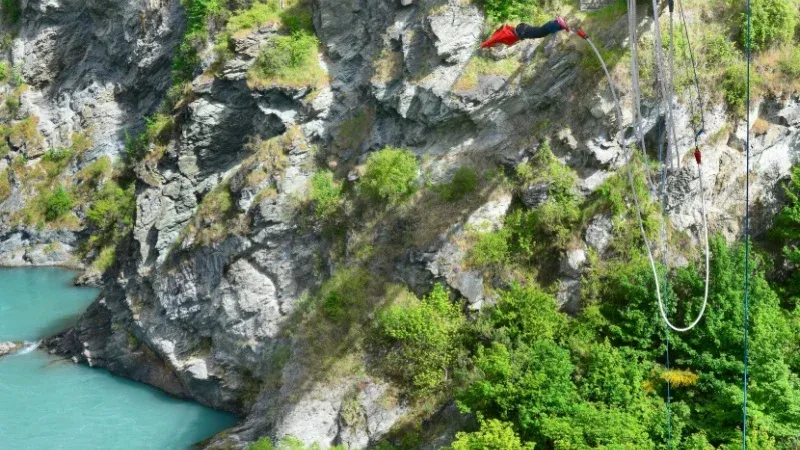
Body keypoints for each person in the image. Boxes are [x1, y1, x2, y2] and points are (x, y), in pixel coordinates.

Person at [481, 17, 570, 48]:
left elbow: (492, 40)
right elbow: (493, 42)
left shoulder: (500, 36)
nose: (498, 46)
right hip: (522, 31)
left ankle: (557, 23)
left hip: (522, 31)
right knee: (541, 33)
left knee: (539, 32)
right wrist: (489, 45)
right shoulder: (501, 38)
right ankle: (560, 26)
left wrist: (483, 45)